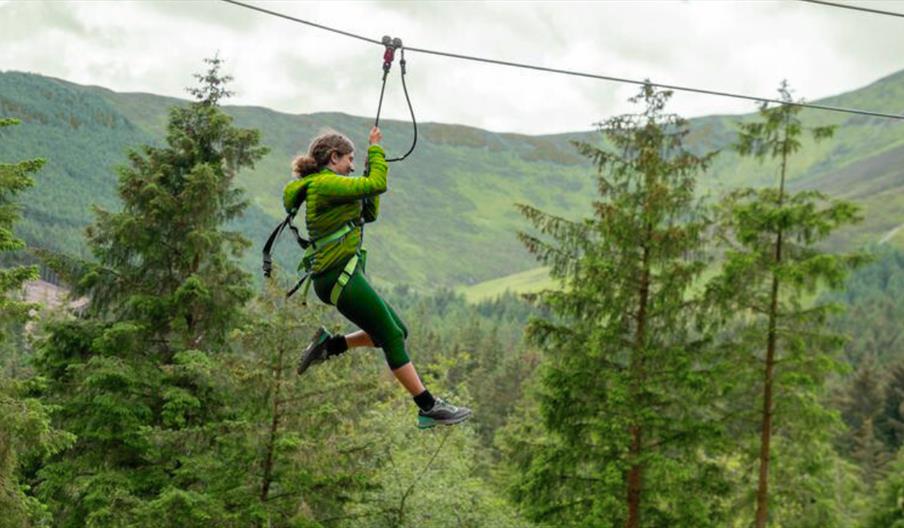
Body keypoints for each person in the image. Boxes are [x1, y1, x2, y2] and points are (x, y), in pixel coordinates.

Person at [287, 126, 471, 429]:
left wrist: (372, 170)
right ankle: (428, 406)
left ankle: (330, 346)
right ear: (334, 157)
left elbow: (368, 212)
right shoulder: (324, 185)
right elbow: (378, 184)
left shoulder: (331, 187)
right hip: (338, 277)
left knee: (397, 330)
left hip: (339, 277)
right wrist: (375, 149)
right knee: (392, 337)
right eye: (350, 159)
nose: (352, 165)